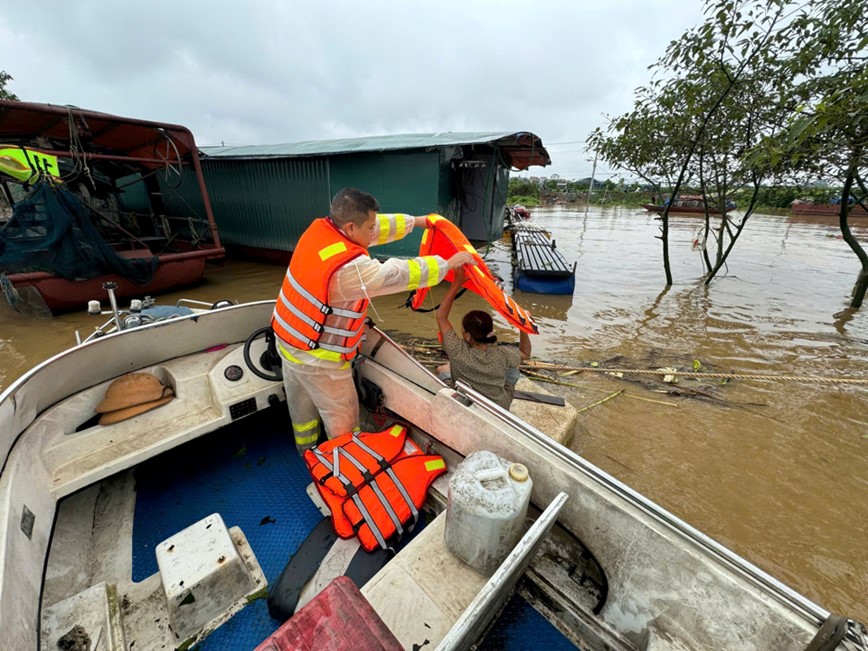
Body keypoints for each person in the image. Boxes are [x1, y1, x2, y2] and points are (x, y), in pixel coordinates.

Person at [272, 187, 475, 453]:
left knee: (302, 413)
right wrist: (447, 264)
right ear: (352, 227)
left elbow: (378, 227)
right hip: (321, 362)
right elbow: (397, 274)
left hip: (289, 345)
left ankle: (306, 453)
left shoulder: (321, 233)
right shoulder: (347, 270)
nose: (374, 231)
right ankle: (345, 468)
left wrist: (417, 222)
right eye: (369, 227)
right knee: (342, 418)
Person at [435, 268, 531, 409]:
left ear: (467, 336)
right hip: (498, 406)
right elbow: (525, 353)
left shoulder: (457, 351)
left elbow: (441, 316)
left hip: (467, 401)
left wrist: (457, 284)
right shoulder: (502, 354)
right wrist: (523, 326)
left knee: (442, 369)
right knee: (515, 364)